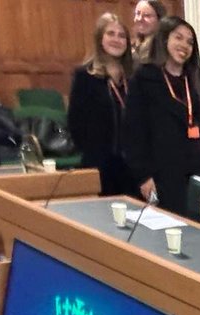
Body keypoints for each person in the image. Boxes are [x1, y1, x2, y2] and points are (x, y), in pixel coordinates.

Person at [123, 16, 200, 216]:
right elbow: (133, 133)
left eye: (190, 42)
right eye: (179, 38)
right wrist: (144, 176)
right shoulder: (144, 78)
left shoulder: (198, 81)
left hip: (196, 172)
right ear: (165, 39)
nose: (184, 45)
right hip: (160, 173)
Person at [68, 12, 134, 196]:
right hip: (98, 163)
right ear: (100, 38)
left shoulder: (133, 77)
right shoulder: (85, 76)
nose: (116, 39)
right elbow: (75, 122)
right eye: (110, 34)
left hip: (131, 166)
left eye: (122, 36)